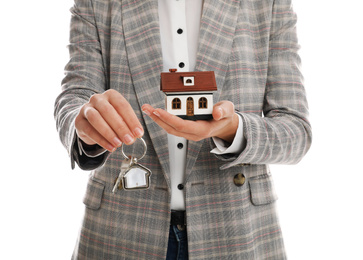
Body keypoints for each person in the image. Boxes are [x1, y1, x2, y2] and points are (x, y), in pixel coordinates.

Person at [54, 0, 312, 259]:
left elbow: (296, 130)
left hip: (238, 231)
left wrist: (234, 131)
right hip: (120, 230)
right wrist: (85, 124)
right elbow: (75, 96)